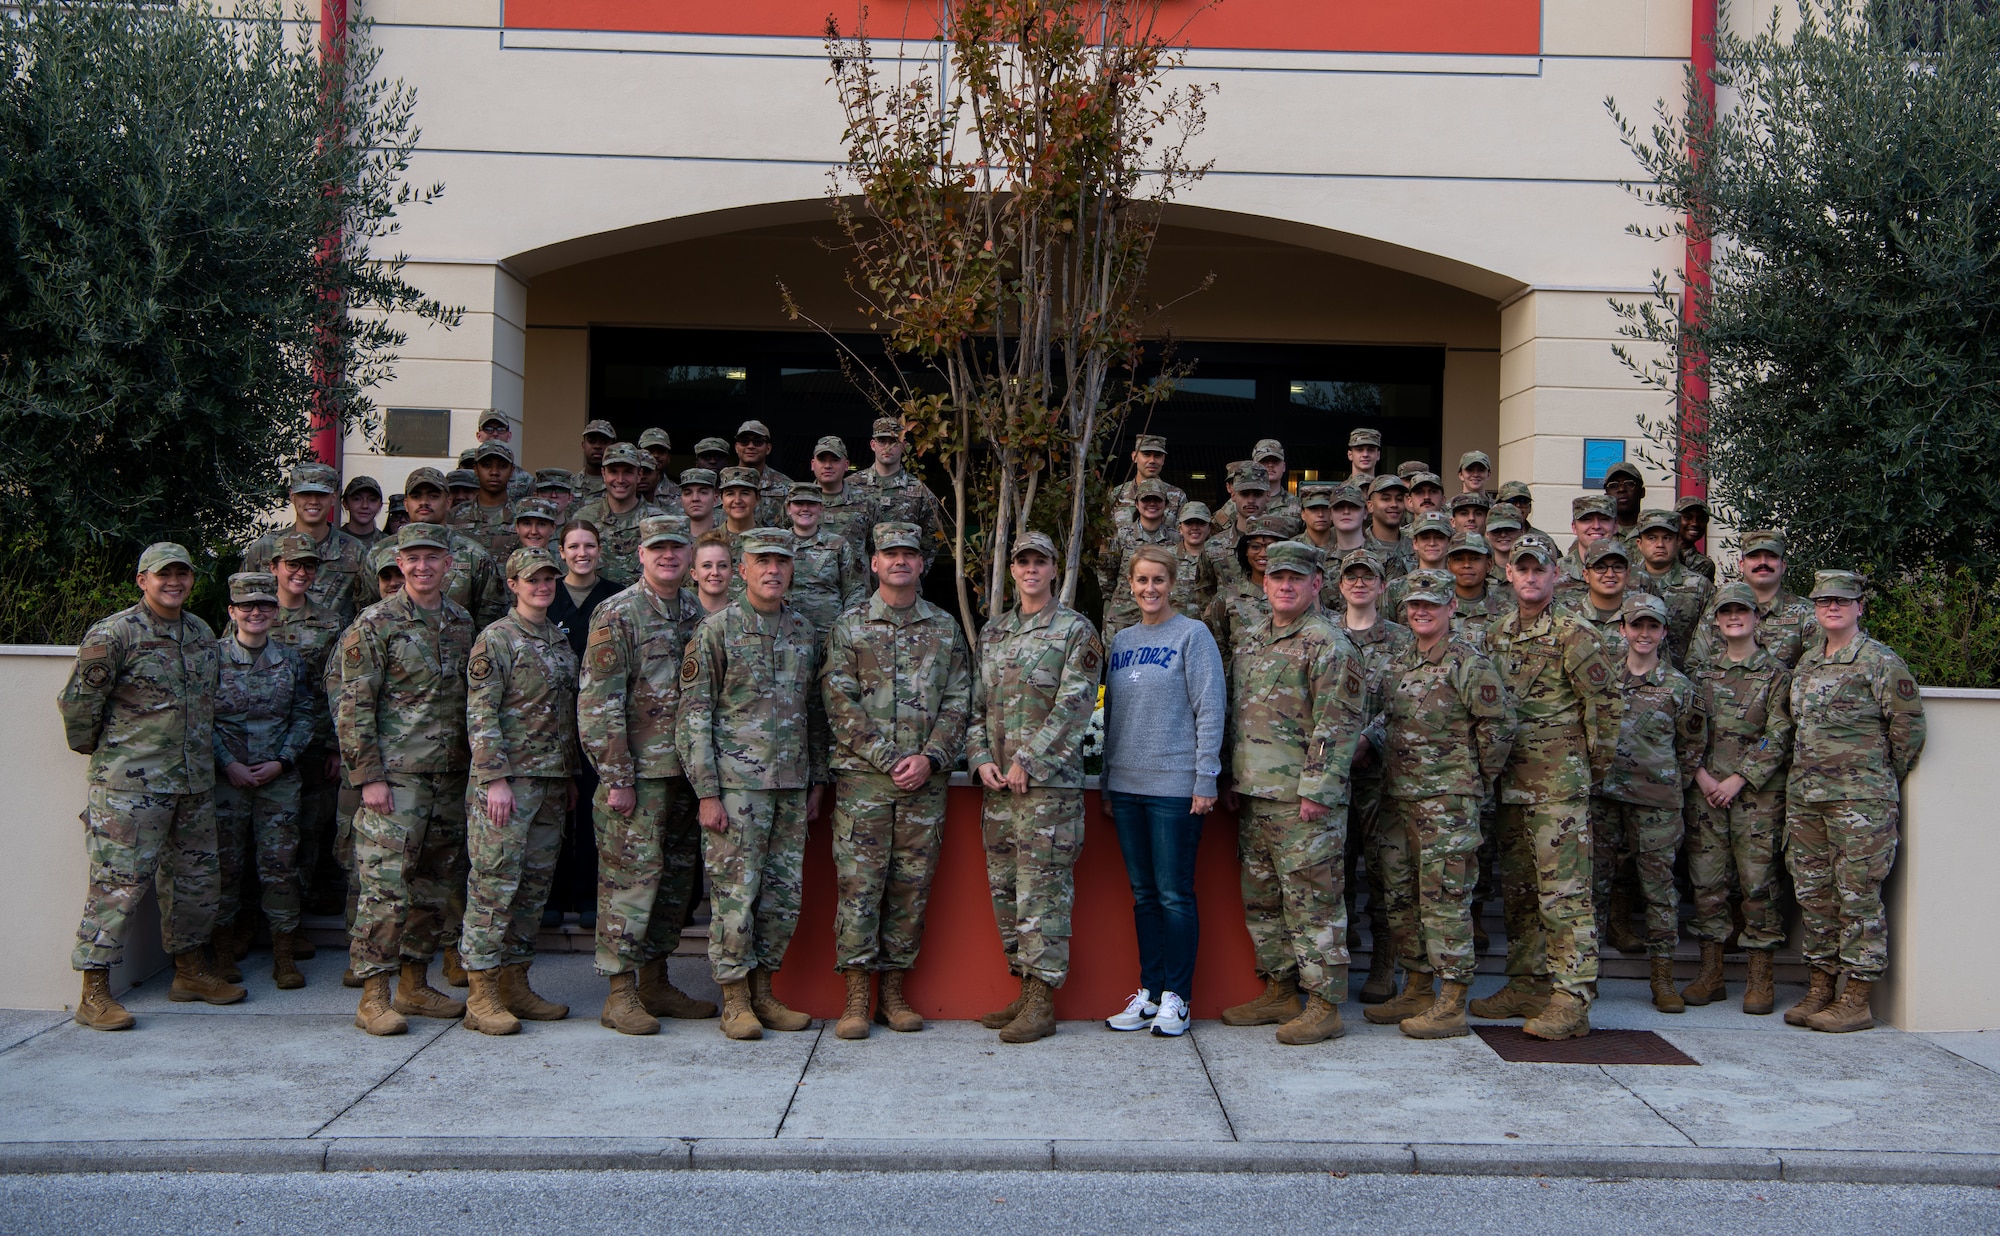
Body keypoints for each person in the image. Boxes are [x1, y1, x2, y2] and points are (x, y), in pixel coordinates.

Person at [62, 543, 240, 1030]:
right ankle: (93, 992)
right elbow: (79, 707)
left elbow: (208, 704)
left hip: (192, 782)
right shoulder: (115, 633)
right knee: (118, 886)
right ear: (142, 580)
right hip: (129, 787)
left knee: (197, 883)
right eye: (164, 575)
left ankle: (190, 972)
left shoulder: (201, 632)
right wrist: (115, 754)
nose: (174, 582)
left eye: (182, 574)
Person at [819, 522, 975, 1040]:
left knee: (910, 888)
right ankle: (858, 995)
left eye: (910, 553)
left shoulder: (944, 626)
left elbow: (958, 698)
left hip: (923, 785)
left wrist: (931, 757)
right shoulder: (849, 626)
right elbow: (839, 703)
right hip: (866, 782)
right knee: (860, 888)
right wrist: (890, 758)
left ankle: (893, 992)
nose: (900, 561)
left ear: (922, 564)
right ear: (874, 563)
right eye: (891, 553)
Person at [676, 528, 830, 1040]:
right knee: (734, 900)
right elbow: (694, 717)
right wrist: (707, 793)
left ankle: (765, 993)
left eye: (781, 562)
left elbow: (813, 712)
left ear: (792, 570)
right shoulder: (716, 631)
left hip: (790, 787)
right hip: (736, 790)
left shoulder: (803, 630)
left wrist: (816, 780)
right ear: (742, 569)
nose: (773, 570)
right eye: (762, 561)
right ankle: (735, 1000)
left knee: (782, 899)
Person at [1216, 540, 1369, 1046]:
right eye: (1277, 577)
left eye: (1296, 579)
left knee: (1314, 903)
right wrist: (1233, 780)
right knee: (1262, 901)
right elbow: (1239, 716)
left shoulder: (1328, 643)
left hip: (1305, 804)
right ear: (1264, 583)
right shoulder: (1253, 640)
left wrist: (1318, 790)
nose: (1284, 586)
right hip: (1257, 796)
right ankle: (1280, 989)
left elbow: (1339, 724)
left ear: (1316, 584)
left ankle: (1324, 1004)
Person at [1471, 536, 1621, 1041]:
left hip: (1558, 786)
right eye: (1522, 568)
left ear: (1557, 574)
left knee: (1565, 895)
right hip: (1510, 785)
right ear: (1508, 575)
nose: (1531, 577)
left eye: (1540, 569)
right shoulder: (1496, 634)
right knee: (1519, 895)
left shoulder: (1575, 634)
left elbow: (1605, 709)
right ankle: (1528, 981)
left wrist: (1587, 770)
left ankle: (1573, 995)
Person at [578, 515, 717, 1035]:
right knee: (629, 882)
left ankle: (656, 980)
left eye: (676, 548)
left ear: (688, 554)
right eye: (657, 548)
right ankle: (620, 991)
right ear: (641, 554)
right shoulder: (618, 613)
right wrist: (616, 777)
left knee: (676, 885)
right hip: (638, 776)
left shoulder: (696, 612)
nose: (668, 557)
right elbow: (598, 701)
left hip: (686, 773)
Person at [335, 523, 476, 1036]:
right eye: (413, 558)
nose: (422, 567)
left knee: (435, 887)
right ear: (398, 562)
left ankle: (414, 984)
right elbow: (353, 708)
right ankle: (374, 993)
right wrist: (368, 777)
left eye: (432, 558)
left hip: (449, 775)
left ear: (448, 564)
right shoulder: (374, 624)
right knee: (384, 888)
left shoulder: (461, 621)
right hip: (396, 781)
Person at [965, 532, 1104, 1044]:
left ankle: (1043, 999)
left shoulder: (1074, 630)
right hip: (999, 790)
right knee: (1006, 891)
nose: (1028, 569)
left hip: (1048, 791)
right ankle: (1023, 989)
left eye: (1038, 562)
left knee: (1042, 891)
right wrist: (980, 759)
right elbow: (974, 704)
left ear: (1052, 569)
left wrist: (1029, 758)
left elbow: (1076, 704)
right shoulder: (995, 631)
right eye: (1021, 561)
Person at [1364, 568, 1514, 1038]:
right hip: (1397, 800)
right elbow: (1383, 719)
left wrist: (1472, 780)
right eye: (1414, 605)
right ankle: (1418, 986)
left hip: (1447, 804)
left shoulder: (1468, 662)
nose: (1422, 611)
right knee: (1401, 898)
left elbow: (1499, 728)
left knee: (1445, 900)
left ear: (1452, 607)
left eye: (1432, 603)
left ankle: (1451, 1001)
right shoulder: (1397, 662)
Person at [1781, 570, 1926, 1034]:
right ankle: (1821, 987)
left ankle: (1857, 997)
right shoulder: (1806, 664)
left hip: (1861, 804)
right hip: (1807, 800)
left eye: (1842, 601)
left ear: (1860, 606)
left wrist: (1875, 779)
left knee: (1857, 895)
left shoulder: (1880, 661)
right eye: (1824, 601)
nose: (1832, 608)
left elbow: (1908, 729)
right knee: (1814, 895)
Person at [1099, 544, 1225, 1039]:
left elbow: (1209, 709)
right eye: (1141, 581)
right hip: (1127, 787)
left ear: (1173, 584)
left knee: (1174, 895)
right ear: (1130, 585)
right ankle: (1149, 993)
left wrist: (1204, 778)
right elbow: (1111, 718)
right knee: (1143, 895)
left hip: (1174, 788)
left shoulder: (1193, 635)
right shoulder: (1121, 640)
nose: (1149, 589)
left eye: (1158, 580)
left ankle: (1179, 996)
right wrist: (1108, 782)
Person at [459, 547, 579, 1035]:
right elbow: (481, 713)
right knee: (494, 885)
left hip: (550, 781)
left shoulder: (558, 639)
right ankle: (482, 993)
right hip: (507, 785)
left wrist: (568, 775)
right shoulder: (496, 640)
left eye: (550, 578)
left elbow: (565, 715)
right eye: (533, 579)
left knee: (532, 888)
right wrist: (494, 779)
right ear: (513, 583)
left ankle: (516, 983)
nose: (543, 586)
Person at [1683, 582, 1794, 1014]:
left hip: (1756, 799)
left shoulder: (1777, 676)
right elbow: (1688, 733)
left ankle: (1759, 979)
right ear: (1715, 620)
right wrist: (1704, 777)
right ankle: (1711, 974)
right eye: (1726, 611)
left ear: (1756, 618)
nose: (1734, 617)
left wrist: (1739, 780)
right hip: (1705, 794)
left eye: (1742, 611)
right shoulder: (1701, 675)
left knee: (1757, 886)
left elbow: (1779, 735)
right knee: (1707, 885)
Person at [1593, 593, 1706, 1013]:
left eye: (1652, 627)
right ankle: (1584, 977)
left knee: (1659, 892)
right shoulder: (1602, 679)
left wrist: (1668, 781)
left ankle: (1662, 978)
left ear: (1662, 632)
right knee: (1593, 889)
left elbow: (1692, 745)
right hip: (1602, 798)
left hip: (1656, 803)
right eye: (1636, 625)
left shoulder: (1678, 687)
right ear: (1622, 629)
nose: (1644, 634)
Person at [212, 571, 318, 992]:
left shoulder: (290, 660)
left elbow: (305, 715)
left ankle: (284, 954)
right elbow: (199, 719)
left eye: (265, 605)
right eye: (247, 606)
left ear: (276, 612)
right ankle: (221, 953)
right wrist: (227, 765)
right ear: (232, 611)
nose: (256, 612)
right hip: (227, 781)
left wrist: (282, 760)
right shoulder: (211, 658)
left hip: (277, 780)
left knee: (280, 868)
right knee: (225, 867)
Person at [1326, 547, 1412, 1006]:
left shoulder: (1401, 641)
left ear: (1382, 586)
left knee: (1387, 872)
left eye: (1368, 577)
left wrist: (1369, 740)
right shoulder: (1321, 635)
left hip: (1382, 774)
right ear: (1340, 586)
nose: (1359, 583)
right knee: (1335, 871)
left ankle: (1385, 963)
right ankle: (1334, 965)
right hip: (1331, 774)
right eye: (1351, 576)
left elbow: (1408, 699)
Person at [545, 519, 622, 932]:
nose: (581, 553)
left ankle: (589, 896)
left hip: (601, 719)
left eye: (589, 545)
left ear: (599, 550)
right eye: (573, 546)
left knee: (595, 808)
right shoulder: (545, 593)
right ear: (561, 551)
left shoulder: (615, 597)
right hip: (552, 719)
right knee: (557, 809)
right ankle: (553, 898)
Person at [267, 533, 346, 926]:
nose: (301, 573)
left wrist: (335, 745)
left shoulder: (331, 622)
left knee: (311, 831)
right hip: (263, 744)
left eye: (309, 566)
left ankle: (297, 921)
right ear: (274, 568)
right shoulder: (255, 614)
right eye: (293, 565)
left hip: (314, 741)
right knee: (270, 835)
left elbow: (341, 685)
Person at [243, 462, 373, 624]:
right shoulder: (264, 550)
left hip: (334, 645)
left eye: (321, 494)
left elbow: (368, 610)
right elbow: (243, 604)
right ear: (292, 496)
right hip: (272, 643)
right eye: (305, 494)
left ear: (333, 497)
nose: (313, 501)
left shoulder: (357, 552)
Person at [1685, 530, 1818, 669]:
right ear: (1741, 565)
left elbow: (1815, 672)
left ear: (1783, 565)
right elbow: (1694, 668)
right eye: (1754, 556)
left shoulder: (1806, 613)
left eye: (1771, 556)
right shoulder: (1716, 612)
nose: (1763, 562)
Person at [400, 467, 508, 630]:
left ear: (448, 501)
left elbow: (490, 622)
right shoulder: (381, 553)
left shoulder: (474, 555)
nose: (424, 502)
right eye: (416, 496)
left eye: (433, 496)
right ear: (406, 504)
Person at [784, 482, 867, 645]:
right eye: (799, 503)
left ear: (821, 508)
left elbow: (854, 589)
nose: (805, 509)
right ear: (788, 508)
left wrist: (847, 628)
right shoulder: (778, 544)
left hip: (829, 635)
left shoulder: (839, 544)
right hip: (787, 634)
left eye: (812, 504)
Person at [572, 443, 665, 589]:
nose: (620, 479)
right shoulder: (584, 518)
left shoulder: (658, 521)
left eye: (627, 472)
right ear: (603, 474)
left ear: (639, 474)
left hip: (641, 608)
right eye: (613, 472)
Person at [1631, 508, 1713, 667]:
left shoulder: (1699, 586)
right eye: (1652, 538)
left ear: (1677, 542)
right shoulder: (1625, 582)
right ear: (1639, 544)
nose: (1660, 544)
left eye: (1667, 538)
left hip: (1682, 680)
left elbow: (1708, 640)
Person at [865, 417, 946, 573]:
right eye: (882, 441)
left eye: (893, 441)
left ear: (903, 445)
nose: (887, 447)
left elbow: (932, 539)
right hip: (860, 588)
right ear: (873, 445)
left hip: (903, 581)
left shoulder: (920, 491)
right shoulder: (852, 486)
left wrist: (914, 575)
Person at [1099, 478, 1177, 639]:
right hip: (1124, 615)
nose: (1152, 503)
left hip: (1162, 616)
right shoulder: (1120, 536)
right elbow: (1106, 573)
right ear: (1136, 503)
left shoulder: (1176, 539)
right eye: (1146, 499)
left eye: (1157, 499)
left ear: (1166, 504)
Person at [1200, 515, 1284, 660]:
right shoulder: (1226, 597)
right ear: (1245, 550)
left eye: (1271, 547)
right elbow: (1215, 649)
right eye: (1255, 547)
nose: (1263, 554)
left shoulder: (1294, 593)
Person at [1196, 462, 1275, 608]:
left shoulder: (1281, 545)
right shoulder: (1213, 547)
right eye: (1244, 494)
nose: (1251, 500)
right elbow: (1204, 597)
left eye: (1257, 494)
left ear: (1268, 495)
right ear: (1233, 494)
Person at [451, 441, 520, 558]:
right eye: (487, 465)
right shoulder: (453, 516)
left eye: (502, 466)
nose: (494, 472)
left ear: (512, 471)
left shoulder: (522, 517)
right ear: (476, 469)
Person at [1381, 511, 1453, 620]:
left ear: (1449, 542)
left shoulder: (1459, 586)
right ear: (1415, 543)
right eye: (1425, 538)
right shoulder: (1395, 588)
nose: (1432, 543)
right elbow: (1387, 629)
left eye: (1439, 537)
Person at [1444, 530, 1510, 647]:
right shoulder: (1437, 609)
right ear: (1449, 566)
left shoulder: (1507, 612)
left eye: (1475, 559)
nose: (1466, 565)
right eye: (1459, 559)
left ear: (1489, 565)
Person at [813, 436, 876, 557]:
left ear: (846, 465)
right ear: (813, 464)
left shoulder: (867, 502)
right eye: (822, 459)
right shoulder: (799, 502)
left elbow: (876, 550)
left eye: (835, 460)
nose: (827, 465)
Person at [1109, 433, 1186, 529]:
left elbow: (1184, 535)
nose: (1152, 460)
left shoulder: (1177, 496)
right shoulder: (1116, 495)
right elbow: (1105, 537)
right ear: (1134, 456)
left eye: (1157, 455)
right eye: (1146, 454)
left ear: (1163, 459)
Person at [732, 419, 794, 526]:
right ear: (737, 447)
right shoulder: (724, 482)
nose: (750, 446)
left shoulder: (786, 486)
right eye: (744, 441)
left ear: (768, 448)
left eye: (758, 442)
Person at [1364, 475, 1414, 577]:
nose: (1394, 504)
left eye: (1399, 499)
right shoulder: (1359, 546)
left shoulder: (1417, 545)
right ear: (1370, 506)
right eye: (1386, 499)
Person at [1170, 503, 1212, 620]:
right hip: (1174, 629)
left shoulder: (1218, 558)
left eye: (1201, 523)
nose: (1195, 527)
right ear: (1180, 528)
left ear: (1209, 528)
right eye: (1189, 523)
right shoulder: (1165, 558)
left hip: (1208, 630)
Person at [637, 428, 684, 515]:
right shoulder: (626, 490)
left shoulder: (680, 494)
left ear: (669, 458)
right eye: (649, 451)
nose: (656, 455)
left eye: (661, 451)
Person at [691, 530, 735, 615]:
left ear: (731, 573)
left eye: (722, 566)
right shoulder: (683, 615)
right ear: (694, 574)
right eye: (707, 565)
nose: (715, 572)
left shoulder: (746, 617)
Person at [1676, 495, 1718, 583]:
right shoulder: (1656, 552)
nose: (1695, 523)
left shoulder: (1704, 565)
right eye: (1688, 517)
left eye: (1701, 519)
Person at [1602, 461, 1646, 545]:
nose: (1621, 489)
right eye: (1613, 485)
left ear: (1642, 492)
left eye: (1629, 484)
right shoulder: (1597, 534)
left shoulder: (1656, 532)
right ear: (1606, 496)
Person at [342, 476, 388, 552]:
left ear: (380, 506)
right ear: (345, 503)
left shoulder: (389, 544)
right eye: (357, 499)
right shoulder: (332, 542)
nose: (365, 506)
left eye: (372, 500)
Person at [576, 418, 617, 500]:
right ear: (583, 445)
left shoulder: (620, 486)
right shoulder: (569, 485)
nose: (597, 446)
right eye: (592, 441)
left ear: (613, 447)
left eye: (604, 442)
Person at [680, 467, 721, 538]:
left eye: (703, 492)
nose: (695, 498)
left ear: (715, 499)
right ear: (681, 500)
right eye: (688, 493)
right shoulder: (673, 540)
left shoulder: (725, 537)